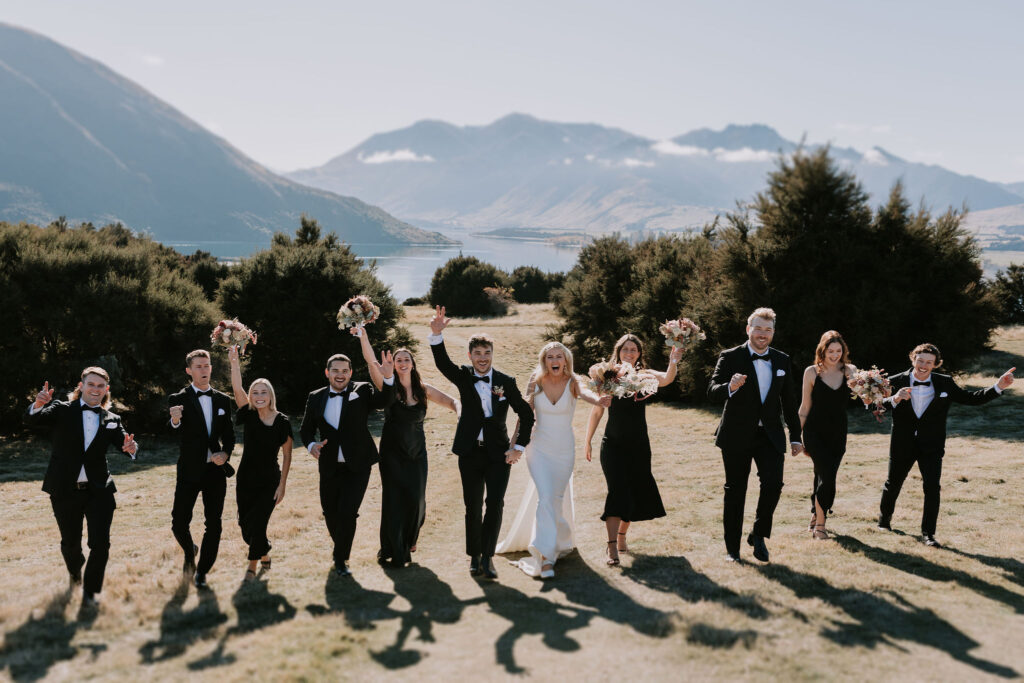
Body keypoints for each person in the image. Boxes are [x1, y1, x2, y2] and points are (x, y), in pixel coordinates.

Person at [428, 305, 535, 580]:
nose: (483, 358)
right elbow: (443, 365)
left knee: (495, 504)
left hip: (499, 454)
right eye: (477, 353)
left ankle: (488, 558)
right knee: (472, 506)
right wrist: (436, 335)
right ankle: (474, 556)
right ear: (470, 356)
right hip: (469, 453)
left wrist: (519, 447)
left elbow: (525, 413)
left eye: (487, 353)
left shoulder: (505, 382)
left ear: (492, 355)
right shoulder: (464, 376)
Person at [878, 343, 1014, 547]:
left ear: (936, 364)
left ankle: (928, 535)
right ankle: (884, 522)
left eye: (929, 362)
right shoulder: (894, 381)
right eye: (920, 360)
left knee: (932, 488)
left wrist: (998, 387)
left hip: (931, 445)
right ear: (913, 359)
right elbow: (874, 405)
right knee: (893, 483)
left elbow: (971, 399)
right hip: (902, 442)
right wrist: (895, 398)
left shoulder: (945, 383)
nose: (923, 365)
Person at [25, 368, 139, 606]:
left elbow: (125, 443)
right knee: (71, 543)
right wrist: (37, 404)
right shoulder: (62, 409)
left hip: (99, 490)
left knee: (101, 544)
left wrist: (131, 448)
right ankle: (75, 572)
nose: (95, 389)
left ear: (106, 390)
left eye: (100, 386)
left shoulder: (112, 419)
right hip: (64, 488)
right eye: (91, 384)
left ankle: (91, 592)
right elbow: (32, 421)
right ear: (81, 385)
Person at [497, 342, 609, 578]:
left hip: (564, 450)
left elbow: (587, 393)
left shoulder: (574, 381)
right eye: (550, 357)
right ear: (544, 360)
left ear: (566, 360)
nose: (555, 360)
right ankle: (546, 558)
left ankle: (561, 538)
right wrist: (515, 445)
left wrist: (599, 400)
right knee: (547, 496)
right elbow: (524, 416)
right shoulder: (535, 381)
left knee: (554, 498)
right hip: (539, 448)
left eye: (559, 356)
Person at [353, 326, 458, 567]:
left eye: (406, 359)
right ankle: (395, 550)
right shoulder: (388, 386)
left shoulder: (423, 389)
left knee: (417, 500)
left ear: (412, 363)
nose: (402, 362)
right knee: (394, 500)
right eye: (398, 359)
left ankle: (410, 539)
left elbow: (452, 401)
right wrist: (364, 337)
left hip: (417, 453)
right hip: (392, 452)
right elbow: (371, 363)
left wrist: (461, 412)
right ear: (394, 363)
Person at [708, 307, 802, 563]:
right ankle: (732, 550)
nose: (763, 334)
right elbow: (712, 390)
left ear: (773, 333)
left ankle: (758, 533)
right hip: (736, 434)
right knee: (735, 490)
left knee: (773, 484)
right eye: (758, 328)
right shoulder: (730, 357)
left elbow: (790, 402)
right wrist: (731, 386)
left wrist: (795, 436)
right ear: (748, 329)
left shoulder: (781, 360)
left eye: (768, 330)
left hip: (769, 434)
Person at [584, 334, 683, 566]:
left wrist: (674, 360)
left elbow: (667, 379)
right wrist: (587, 440)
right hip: (613, 444)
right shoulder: (607, 375)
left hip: (639, 445)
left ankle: (621, 537)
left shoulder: (645, 375)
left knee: (634, 492)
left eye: (634, 350)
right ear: (618, 351)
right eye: (625, 349)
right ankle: (611, 549)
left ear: (639, 353)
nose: (629, 353)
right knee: (617, 491)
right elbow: (597, 409)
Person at [300, 350, 394, 576]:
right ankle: (340, 549)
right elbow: (305, 430)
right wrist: (312, 446)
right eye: (335, 370)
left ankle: (341, 559)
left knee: (348, 512)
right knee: (330, 512)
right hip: (329, 464)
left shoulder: (361, 390)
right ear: (327, 373)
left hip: (358, 464)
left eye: (344, 371)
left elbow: (384, 400)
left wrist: (389, 378)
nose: (340, 375)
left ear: (350, 372)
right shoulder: (316, 397)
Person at [169, 349, 236, 589]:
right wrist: (175, 419)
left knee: (214, 523)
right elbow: (172, 429)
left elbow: (229, 435)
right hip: (189, 470)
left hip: (215, 472)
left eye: (206, 365)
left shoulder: (222, 400)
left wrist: (225, 453)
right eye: (198, 366)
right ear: (189, 370)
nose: (204, 370)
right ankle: (190, 550)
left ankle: (202, 572)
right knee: (178, 522)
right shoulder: (178, 398)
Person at [228, 346, 293, 580]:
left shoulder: (282, 421)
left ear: (270, 395)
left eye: (263, 392)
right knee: (245, 527)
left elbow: (287, 455)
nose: (259, 395)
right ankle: (264, 553)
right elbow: (237, 388)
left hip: (269, 480)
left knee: (258, 525)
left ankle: (252, 568)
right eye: (255, 392)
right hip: (245, 478)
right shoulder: (249, 414)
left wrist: (282, 485)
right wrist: (234, 362)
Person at [798, 331, 855, 540]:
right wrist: (796, 436)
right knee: (827, 477)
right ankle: (821, 525)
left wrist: (877, 394)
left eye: (838, 351)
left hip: (838, 432)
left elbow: (865, 395)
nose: (835, 355)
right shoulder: (811, 372)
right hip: (814, 432)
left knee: (822, 475)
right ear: (822, 350)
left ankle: (815, 513)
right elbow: (805, 407)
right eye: (830, 351)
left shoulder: (850, 371)